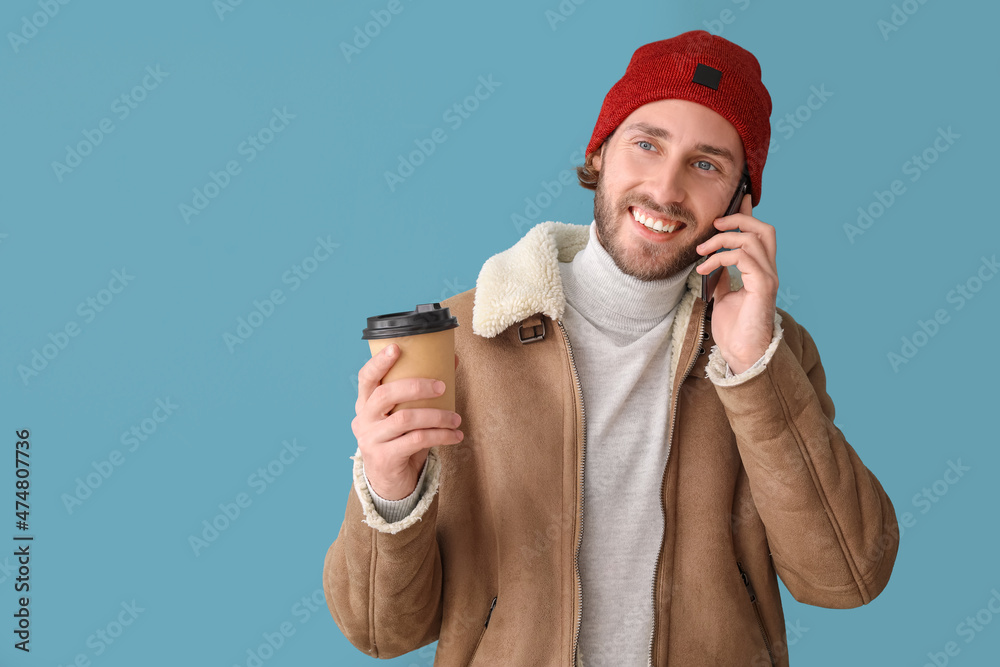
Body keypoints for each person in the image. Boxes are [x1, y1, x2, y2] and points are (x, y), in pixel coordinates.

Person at [324, 30, 898, 666]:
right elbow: (381, 632)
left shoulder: (768, 353)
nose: (666, 189)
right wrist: (389, 488)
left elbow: (848, 577)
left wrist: (755, 369)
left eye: (706, 165)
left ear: (741, 201)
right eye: (647, 145)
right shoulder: (466, 339)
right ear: (599, 153)